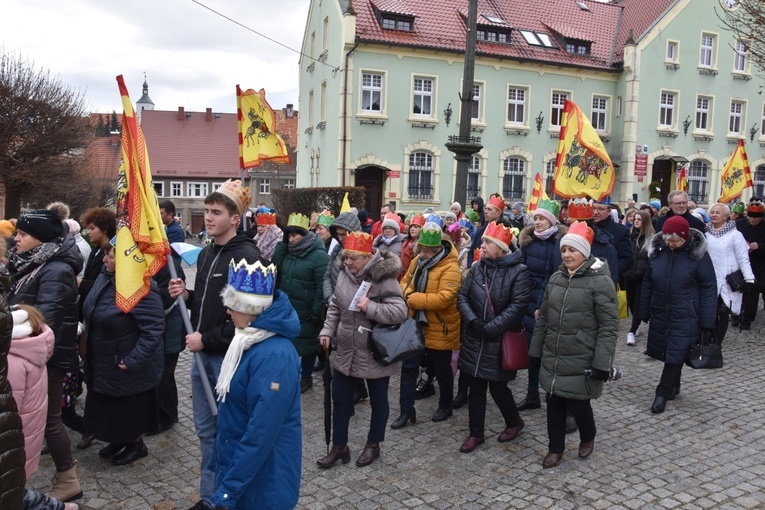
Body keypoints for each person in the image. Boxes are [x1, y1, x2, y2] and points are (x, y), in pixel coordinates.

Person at [168, 179, 266, 510]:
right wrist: (188, 295)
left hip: (226, 360)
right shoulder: (209, 251)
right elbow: (212, 304)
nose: (208, 218)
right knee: (206, 433)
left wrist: (205, 339)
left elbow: (248, 319)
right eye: (207, 211)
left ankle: (225, 496)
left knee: (227, 434)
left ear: (235, 218)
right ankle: (209, 496)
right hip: (201, 357)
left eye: (216, 212)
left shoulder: (248, 257)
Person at [209, 260, 301, 509]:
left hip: (264, 485)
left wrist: (227, 492)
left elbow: (260, 433)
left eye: (233, 305)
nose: (227, 311)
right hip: (243, 475)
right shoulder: (247, 341)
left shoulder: (275, 357)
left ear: (252, 309)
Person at [529, 221, 618, 468]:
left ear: (585, 253)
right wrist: (535, 351)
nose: (567, 255)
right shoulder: (556, 278)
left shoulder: (600, 282)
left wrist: (602, 363)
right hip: (555, 354)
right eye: (564, 250)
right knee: (554, 403)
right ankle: (555, 448)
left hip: (582, 355)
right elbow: (544, 316)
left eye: (572, 250)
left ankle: (588, 436)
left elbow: (609, 327)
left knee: (579, 404)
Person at [7, 209, 83, 502]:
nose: (16, 239)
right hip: (32, 354)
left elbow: (44, 318)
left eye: (23, 234)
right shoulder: (35, 262)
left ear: (39, 239)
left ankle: (68, 479)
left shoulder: (56, 269)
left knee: (50, 419)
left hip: (47, 357)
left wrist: (8, 323)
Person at [318, 232, 407, 468]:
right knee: (340, 400)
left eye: (354, 259)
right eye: (346, 258)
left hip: (375, 350)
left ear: (368, 257)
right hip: (347, 348)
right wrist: (327, 331)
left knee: (379, 402)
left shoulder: (384, 278)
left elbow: (400, 312)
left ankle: (373, 445)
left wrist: (371, 307)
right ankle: (339, 446)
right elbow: (336, 306)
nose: (348, 263)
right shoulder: (345, 275)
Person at [81, 244, 164, 465]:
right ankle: (119, 439)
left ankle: (136, 444)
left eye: (110, 256)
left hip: (125, 357)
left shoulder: (140, 286)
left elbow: (153, 329)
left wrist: (134, 359)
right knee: (109, 404)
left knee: (128, 407)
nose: (104, 260)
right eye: (106, 255)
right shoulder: (106, 277)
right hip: (105, 353)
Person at [456, 222, 530, 453]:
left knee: (499, 389)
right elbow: (462, 297)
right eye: (484, 241)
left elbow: (518, 306)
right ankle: (475, 434)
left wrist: (492, 328)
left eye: (488, 242)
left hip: (499, 341)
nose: (482, 245)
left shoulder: (519, 271)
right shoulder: (478, 268)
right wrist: (474, 322)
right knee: (475, 389)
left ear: (500, 247)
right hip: (475, 337)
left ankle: (514, 422)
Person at [640, 216, 717, 414]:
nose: (670, 243)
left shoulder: (697, 256)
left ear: (685, 238)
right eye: (667, 239)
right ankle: (674, 385)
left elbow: (709, 287)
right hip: (661, 310)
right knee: (670, 350)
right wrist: (643, 309)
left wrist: (708, 321)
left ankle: (662, 393)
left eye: (675, 240)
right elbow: (648, 281)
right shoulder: (658, 253)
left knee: (675, 351)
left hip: (686, 313)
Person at [396, 222, 461, 426]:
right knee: (409, 368)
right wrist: (408, 294)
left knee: (442, 369)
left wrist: (412, 299)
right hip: (415, 324)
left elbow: (444, 299)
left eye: (426, 250)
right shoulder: (417, 262)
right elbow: (404, 283)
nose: (422, 254)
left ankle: (445, 405)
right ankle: (406, 411)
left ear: (436, 249)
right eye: (420, 249)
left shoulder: (451, 267)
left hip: (440, 326)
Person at [516, 199, 566, 412]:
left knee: (548, 353)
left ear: (551, 221)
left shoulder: (559, 243)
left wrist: (541, 303)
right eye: (535, 218)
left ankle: (552, 395)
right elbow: (520, 267)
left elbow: (554, 274)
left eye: (542, 218)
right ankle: (531, 394)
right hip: (527, 299)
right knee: (531, 352)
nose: (537, 222)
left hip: (546, 301)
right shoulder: (527, 242)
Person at [271, 213, 329, 394]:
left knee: (309, 345)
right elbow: (274, 266)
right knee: (289, 344)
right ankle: (290, 375)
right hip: (288, 307)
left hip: (308, 307)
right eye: (289, 235)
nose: (291, 239)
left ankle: (306, 376)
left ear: (305, 234)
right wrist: (282, 243)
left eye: (295, 235)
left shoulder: (319, 255)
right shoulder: (287, 250)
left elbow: (322, 286)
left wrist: (317, 310)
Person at [8, 304, 54, 479]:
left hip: (13, 444)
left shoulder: (12, 359)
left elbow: (9, 410)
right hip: (27, 435)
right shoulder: (33, 347)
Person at [147, 256, 186, 435]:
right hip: (156, 330)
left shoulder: (170, 266)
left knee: (165, 375)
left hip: (171, 330)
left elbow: (167, 298)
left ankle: (167, 416)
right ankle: (158, 413)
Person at [705, 203, 754, 341]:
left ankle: (717, 343)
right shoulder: (706, 234)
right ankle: (708, 339)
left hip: (728, 280)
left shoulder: (736, 235)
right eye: (712, 212)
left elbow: (743, 258)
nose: (714, 214)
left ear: (726, 217)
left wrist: (749, 278)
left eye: (718, 212)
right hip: (710, 279)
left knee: (723, 310)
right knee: (710, 312)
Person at [624, 210, 654, 346]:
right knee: (631, 302)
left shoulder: (651, 238)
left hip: (642, 276)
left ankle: (632, 330)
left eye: (639, 219)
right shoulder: (629, 236)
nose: (635, 221)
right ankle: (637, 323)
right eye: (634, 219)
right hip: (628, 274)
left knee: (638, 304)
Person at [736, 198, 765, 330]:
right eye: (750, 217)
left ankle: (747, 319)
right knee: (738, 289)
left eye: (755, 218)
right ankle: (736, 315)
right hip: (740, 262)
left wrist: (759, 246)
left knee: (753, 292)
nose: (752, 220)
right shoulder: (740, 224)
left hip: (759, 264)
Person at [592, 196, 634, 280]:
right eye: (593, 208)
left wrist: (608, 270)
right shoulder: (584, 227)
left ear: (609, 211)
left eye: (601, 209)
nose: (595, 212)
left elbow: (627, 260)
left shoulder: (620, 231)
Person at [160, 200, 185, 264]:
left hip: (171, 268)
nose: (159, 216)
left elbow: (168, 251)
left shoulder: (175, 231)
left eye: (161, 213)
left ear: (170, 215)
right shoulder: (168, 227)